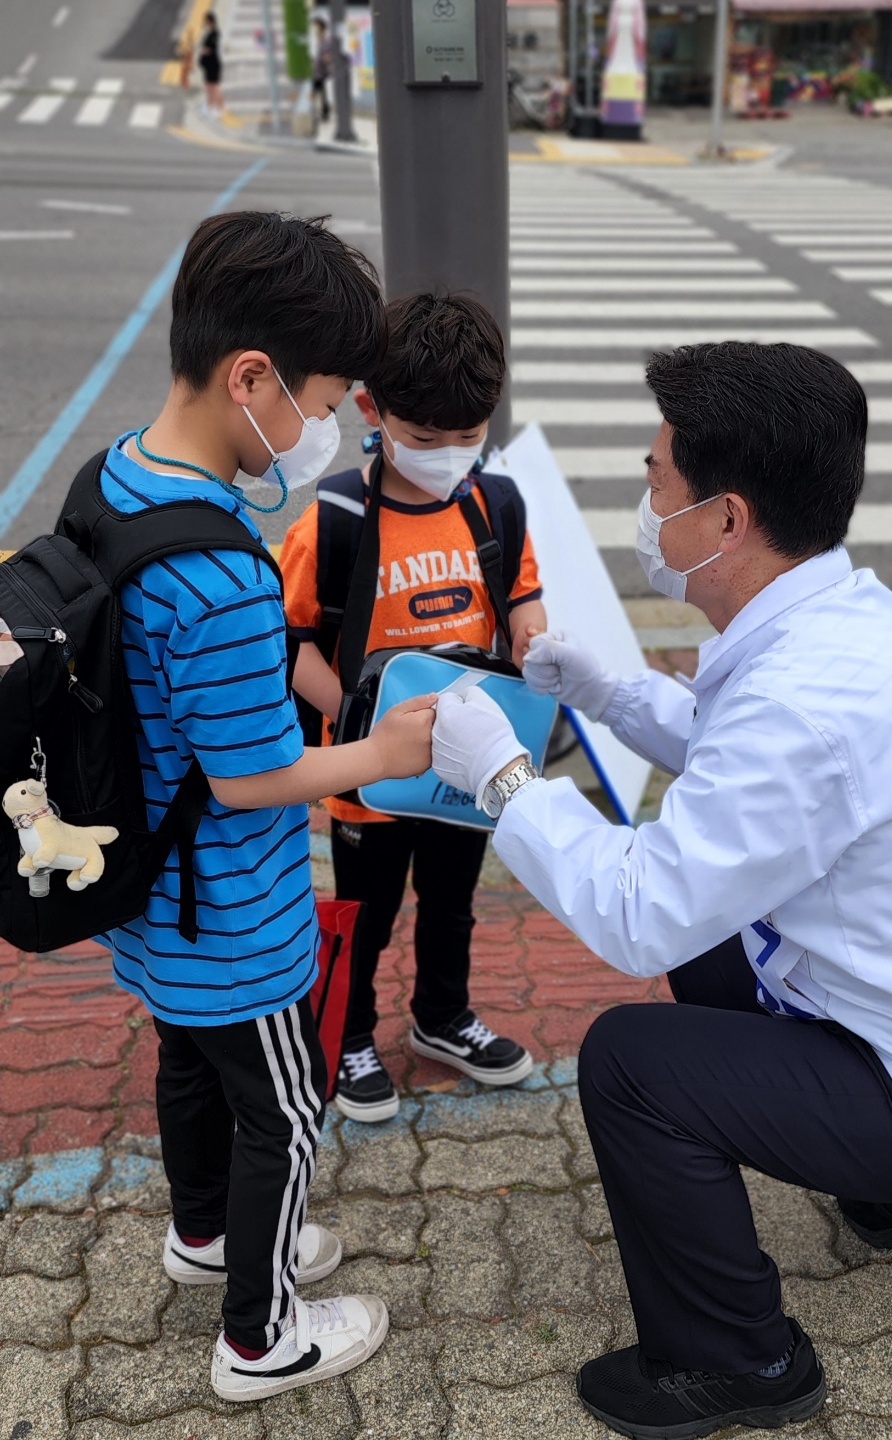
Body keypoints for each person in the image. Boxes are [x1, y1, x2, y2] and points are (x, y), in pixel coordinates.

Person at [430, 340, 892, 1440]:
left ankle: (738, 1361)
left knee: (631, 1063)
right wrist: (611, 694)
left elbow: (634, 910)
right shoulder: (850, 620)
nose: (644, 501)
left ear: (725, 520)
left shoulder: (802, 699)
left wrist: (505, 783)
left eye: (657, 478)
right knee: (714, 936)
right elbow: (743, 761)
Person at [100, 211, 436, 1402]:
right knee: (285, 1112)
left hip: (148, 894)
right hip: (237, 912)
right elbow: (252, 776)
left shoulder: (118, 479)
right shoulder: (226, 573)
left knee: (190, 1068)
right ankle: (261, 1335)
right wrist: (383, 747)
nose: (327, 427)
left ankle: (202, 1235)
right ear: (252, 379)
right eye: (326, 397)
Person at [279, 292, 546, 1122]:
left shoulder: (492, 502)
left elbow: (521, 597)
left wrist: (537, 641)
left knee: (454, 899)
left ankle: (440, 1017)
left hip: (463, 769)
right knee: (367, 911)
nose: (449, 454)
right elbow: (288, 646)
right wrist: (361, 724)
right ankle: (351, 1031)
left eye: (468, 438)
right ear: (372, 409)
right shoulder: (333, 523)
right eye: (427, 439)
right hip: (369, 775)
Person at [198, 10, 223, 117]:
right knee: (208, 87)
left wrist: (203, 50)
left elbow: (210, 48)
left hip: (213, 64)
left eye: (206, 22)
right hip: (208, 65)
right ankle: (209, 107)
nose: (205, 24)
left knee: (214, 87)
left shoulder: (215, 34)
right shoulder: (210, 33)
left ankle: (219, 108)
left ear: (210, 22)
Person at [311, 16, 332, 123]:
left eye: (316, 27)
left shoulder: (327, 39)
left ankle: (324, 113)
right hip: (317, 71)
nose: (315, 29)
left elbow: (332, 54)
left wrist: (327, 57)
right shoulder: (315, 39)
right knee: (315, 92)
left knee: (322, 93)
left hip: (325, 72)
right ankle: (319, 112)